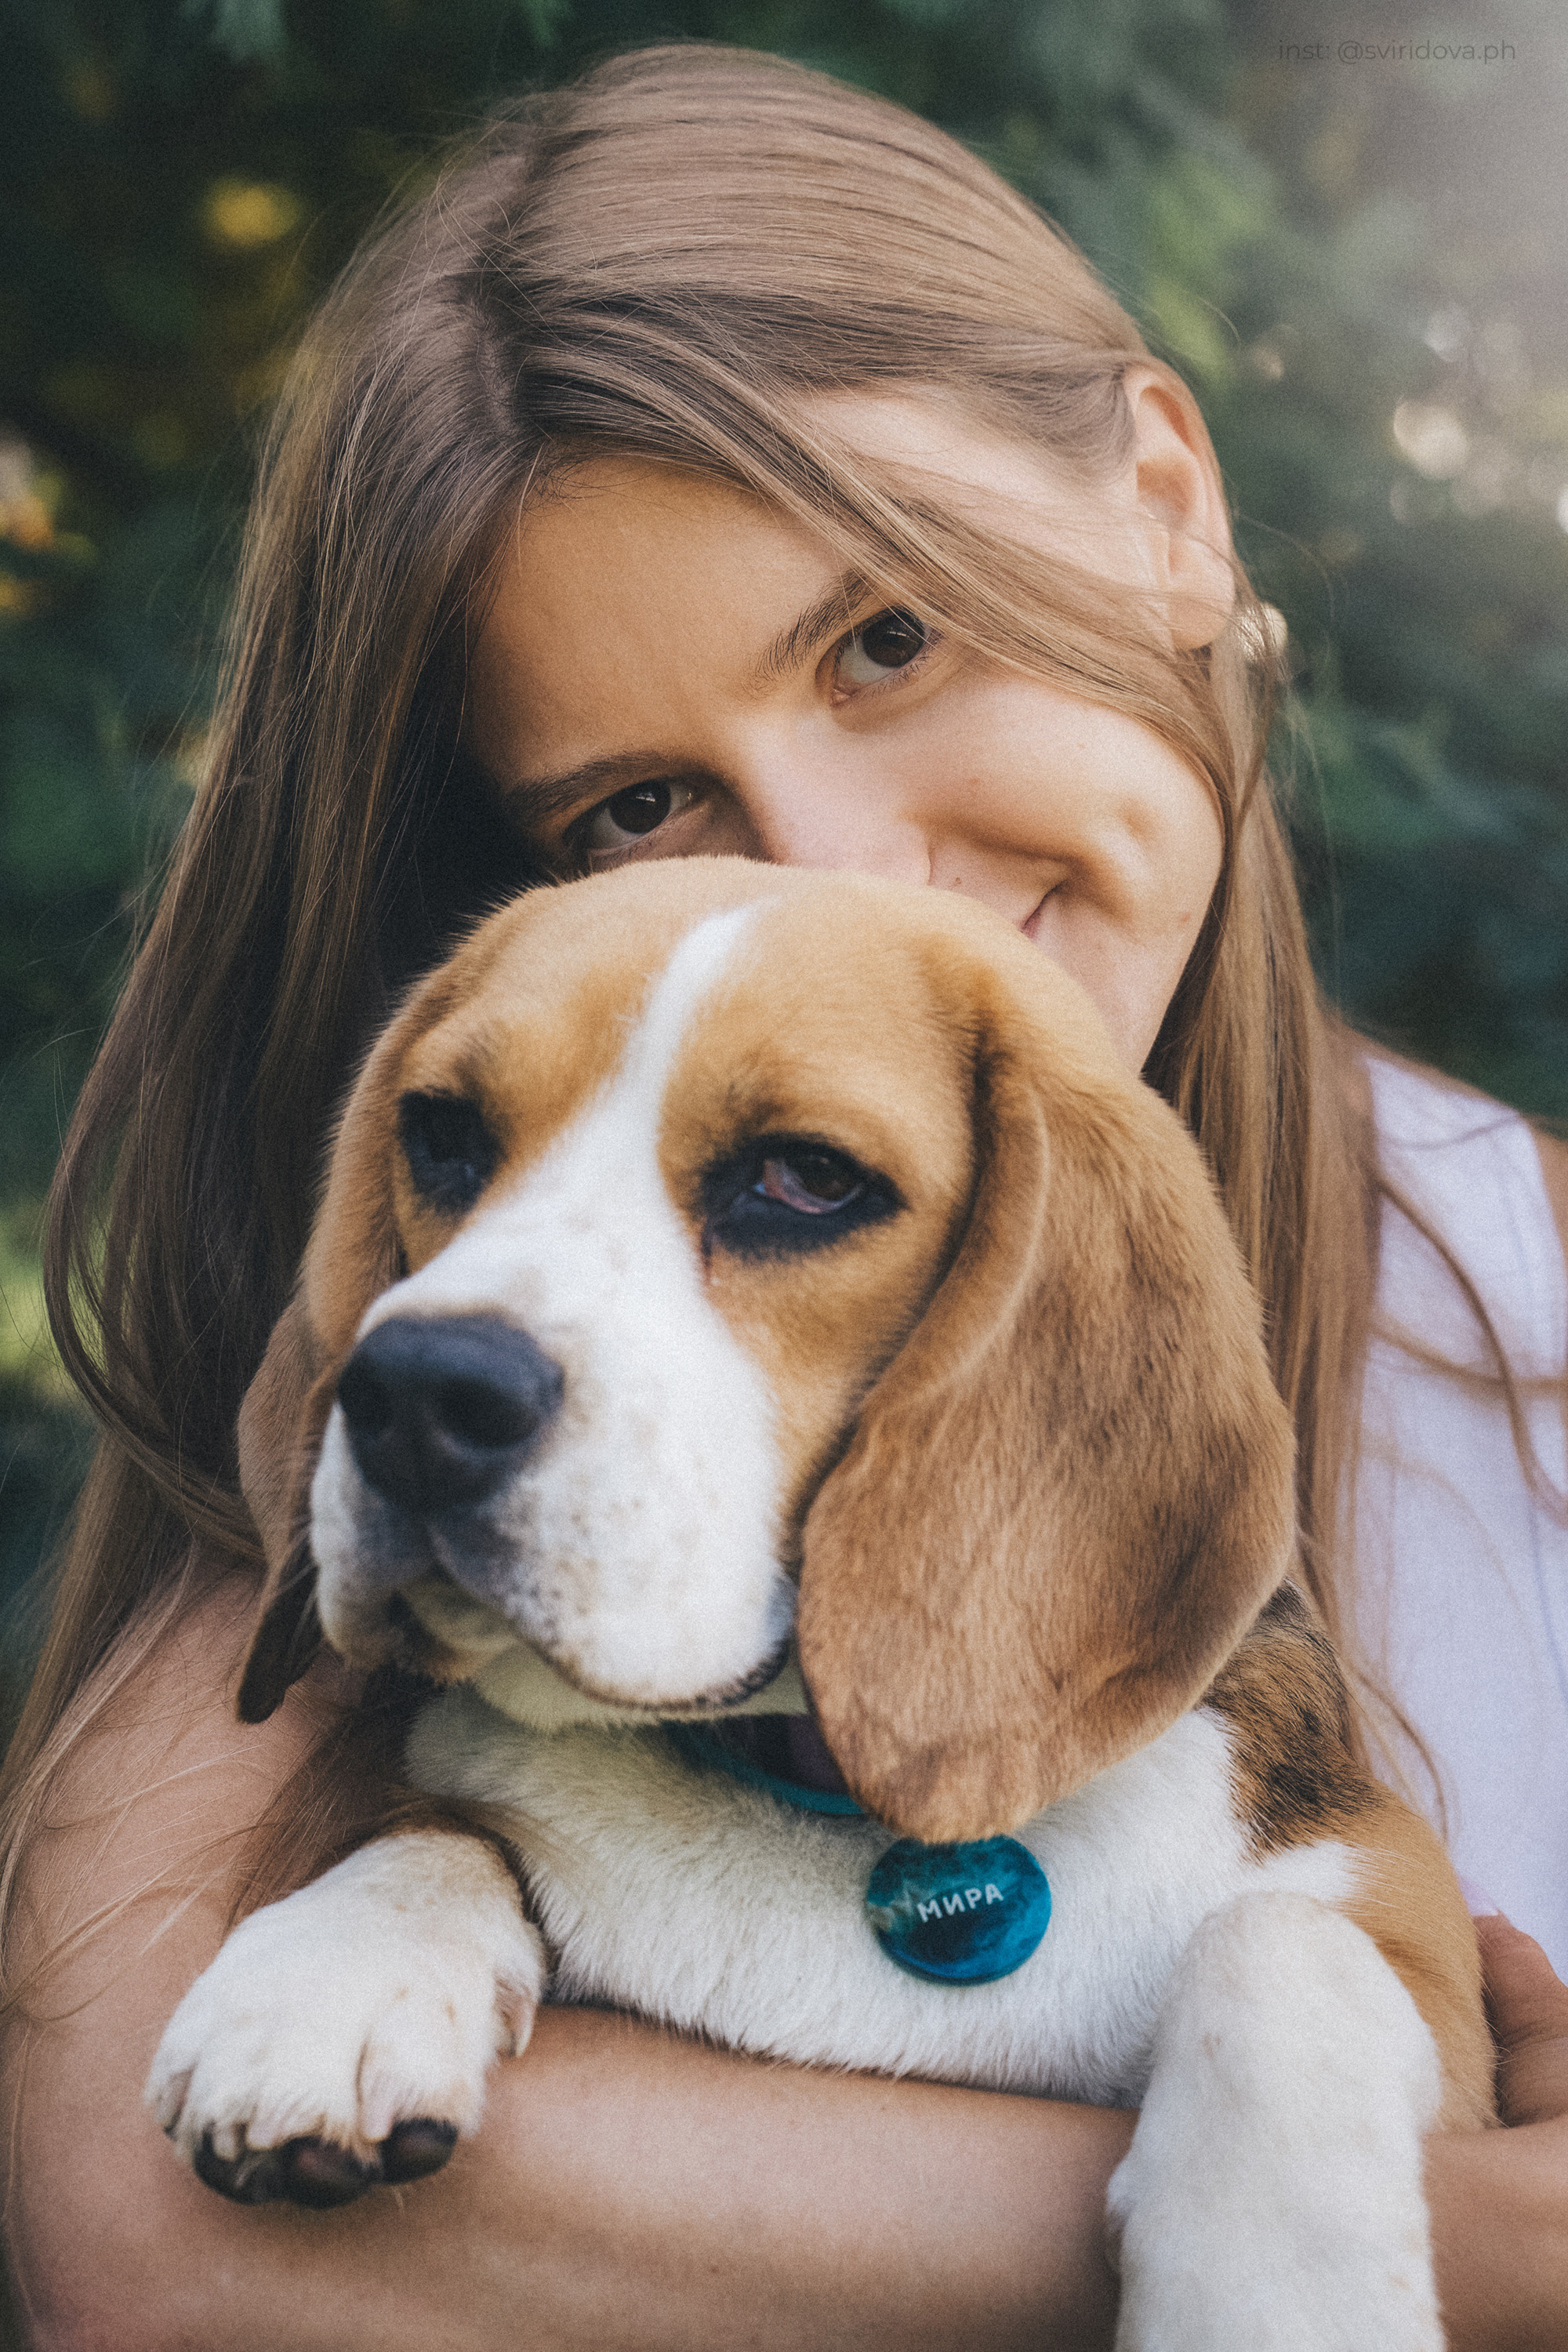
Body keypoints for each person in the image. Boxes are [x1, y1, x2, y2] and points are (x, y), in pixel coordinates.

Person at [2, 42, 1566, 2351]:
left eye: (887, 638)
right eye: (637, 809)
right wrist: (1482, 2249)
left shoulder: (1518, 1319)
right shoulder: (474, 1367)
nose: (832, 877)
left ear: (1164, 502)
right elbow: (141, 2219)